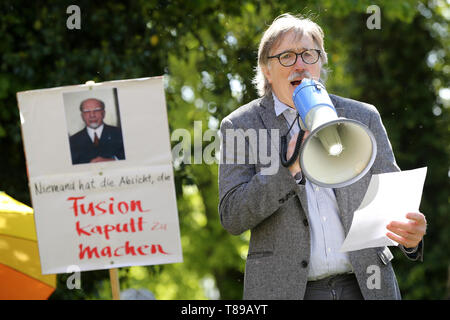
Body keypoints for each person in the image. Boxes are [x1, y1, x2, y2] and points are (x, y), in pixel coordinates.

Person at [218, 13, 426, 300]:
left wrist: (410, 238)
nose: (300, 65)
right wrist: (286, 171)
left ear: (320, 61)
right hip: (288, 291)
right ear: (267, 69)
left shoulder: (362, 116)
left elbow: (393, 208)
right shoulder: (241, 126)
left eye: (308, 54)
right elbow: (232, 216)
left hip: (365, 287)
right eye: (287, 56)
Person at [69, 98, 125, 164]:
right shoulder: (72, 141)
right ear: (82, 116)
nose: (92, 115)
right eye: (87, 111)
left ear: (103, 113)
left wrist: (114, 161)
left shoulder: (121, 133)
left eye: (97, 110)